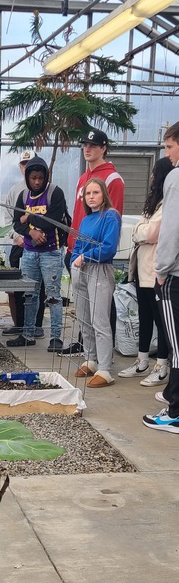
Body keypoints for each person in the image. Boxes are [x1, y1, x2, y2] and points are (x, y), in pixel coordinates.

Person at [60, 128, 124, 355]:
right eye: (85, 145)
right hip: (76, 250)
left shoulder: (112, 178)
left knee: (102, 307)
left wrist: (94, 251)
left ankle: (106, 355)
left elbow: (111, 216)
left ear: (103, 148)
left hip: (96, 255)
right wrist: (73, 246)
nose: (87, 149)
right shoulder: (82, 178)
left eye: (93, 145)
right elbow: (81, 214)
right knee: (84, 307)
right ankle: (88, 351)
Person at [118, 156, 172, 386]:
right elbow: (142, 229)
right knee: (145, 317)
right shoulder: (154, 203)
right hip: (142, 270)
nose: (150, 178)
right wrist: (142, 231)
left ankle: (161, 367)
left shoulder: (168, 203)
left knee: (161, 321)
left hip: (156, 270)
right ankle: (141, 362)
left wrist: (141, 231)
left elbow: (149, 233)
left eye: (153, 174)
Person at [7, 156, 67, 351]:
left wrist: (29, 217)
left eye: (40, 178)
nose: (37, 182)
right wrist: (30, 232)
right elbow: (17, 222)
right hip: (30, 252)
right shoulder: (23, 196)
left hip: (51, 252)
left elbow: (53, 221)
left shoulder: (55, 193)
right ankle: (28, 334)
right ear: (27, 177)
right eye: (33, 178)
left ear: (46, 176)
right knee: (29, 295)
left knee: (53, 296)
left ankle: (56, 338)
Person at [143, 123, 179, 433]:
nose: (166, 155)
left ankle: (175, 410)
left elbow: (170, 229)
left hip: (175, 275)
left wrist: (162, 269)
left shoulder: (177, 178)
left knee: (177, 346)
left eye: (169, 147)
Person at [71, 177, 121, 387]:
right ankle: (90, 358)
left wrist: (85, 256)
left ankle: (105, 368)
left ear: (104, 195)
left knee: (99, 319)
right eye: (88, 193)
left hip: (100, 269)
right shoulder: (86, 219)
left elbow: (109, 247)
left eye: (95, 193)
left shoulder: (110, 216)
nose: (91, 197)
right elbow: (78, 244)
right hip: (81, 268)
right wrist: (75, 257)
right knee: (83, 316)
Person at [2, 148, 46, 337]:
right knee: (18, 286)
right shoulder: (15, 191)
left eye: (30, 163)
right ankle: (19, 324)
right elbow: (8, 219)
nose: (26, 167)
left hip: (39, 247)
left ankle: (36, 325)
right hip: (18, 246)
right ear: (21, 167)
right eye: (23, 164)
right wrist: (17, 237)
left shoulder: (47, 190)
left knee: (38, 286)